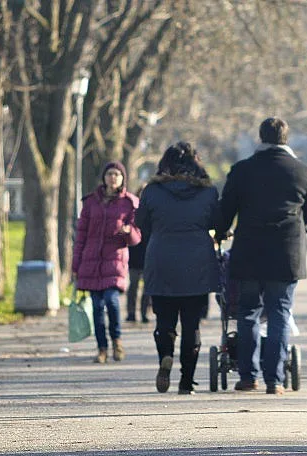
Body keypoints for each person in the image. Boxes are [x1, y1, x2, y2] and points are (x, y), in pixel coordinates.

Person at [217, 117, 307, 395]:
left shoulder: (242, 170)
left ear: (260, 138)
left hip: (249, 251)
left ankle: (248, 376)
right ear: (286, 138)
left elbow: (226, 210)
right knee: (279, 313)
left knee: (248, 312)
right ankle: (275, 380)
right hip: (287, 252)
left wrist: (221, 232)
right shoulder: (301, 171)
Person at [136, 142, 219, 395]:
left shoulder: (152, 191)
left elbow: (141, 223)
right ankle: (187, 382)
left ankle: (165, 355)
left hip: (161, 259)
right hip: (197, 262)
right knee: (192, 325)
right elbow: (218, 222)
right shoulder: (207, 192)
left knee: (164, 320)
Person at [73, 161, 141, 364]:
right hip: (91, 262)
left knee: (111, 301)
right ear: (104, 177)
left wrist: (128, 232)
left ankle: (117, 341)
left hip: (114, 261)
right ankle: (101, 348)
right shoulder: (91, 202)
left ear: (122, 178)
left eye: (117, 174)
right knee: (96, 306)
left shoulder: (129, 203)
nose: (113, 178)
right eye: (109, 174)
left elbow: (137, 237)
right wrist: (76, 265)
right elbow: (81, 236)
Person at [125, 218, 151, 324]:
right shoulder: (131, 217)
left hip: (147, 257)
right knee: (133, 286)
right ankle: (132, 313)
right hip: (134, 258)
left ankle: (143, 313)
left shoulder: (149, 220)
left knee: (146, 288)